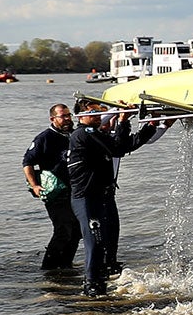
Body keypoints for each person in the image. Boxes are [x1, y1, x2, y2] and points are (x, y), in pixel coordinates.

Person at [63, 102, 163, 296]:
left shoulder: (96, 134)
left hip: (100, 197)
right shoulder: (84, 134)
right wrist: (124, 120)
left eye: (99, 112)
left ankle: (101, 278)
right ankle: (91, 283)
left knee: (105, 240)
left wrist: (151, 124)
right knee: (94, 240)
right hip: (85, 198)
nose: (99, 115)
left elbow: (127, 145)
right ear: (81, 116)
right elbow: (117, 148)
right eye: (93, 112)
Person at [21, 104, 82, 270]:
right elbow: (27, 163)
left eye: (69, 115)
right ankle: (48, 267)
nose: (68, 119)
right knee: (63, 228)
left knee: (77, 230)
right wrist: (34, 186)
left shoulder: (75, 135)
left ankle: (66, 264)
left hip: (75, 189)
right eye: (63, 116)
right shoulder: (44, 138)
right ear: (53, 119)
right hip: (55, 191)